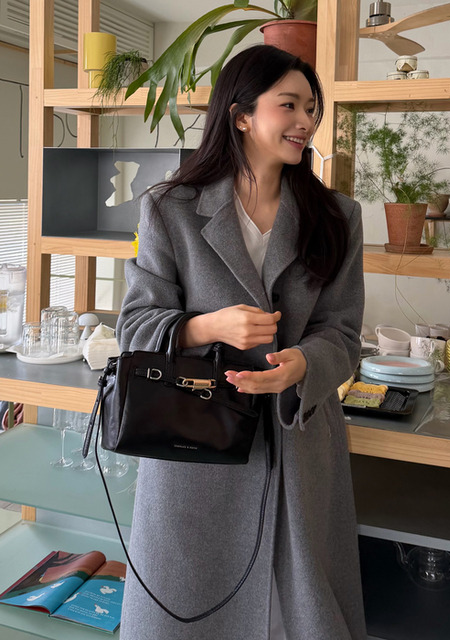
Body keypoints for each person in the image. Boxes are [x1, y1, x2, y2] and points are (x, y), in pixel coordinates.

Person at [117, 44, 366, 640]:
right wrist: (208, 326)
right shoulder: (169, 209)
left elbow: (343, 333)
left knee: (299, 615)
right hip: (194, 447)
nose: (306, 121)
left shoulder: (338, 216)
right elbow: (135, 326)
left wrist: (302, 363)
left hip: (298, 446)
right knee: (188, 614)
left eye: (312, 108)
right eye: (290, 105)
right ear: (241, 116)